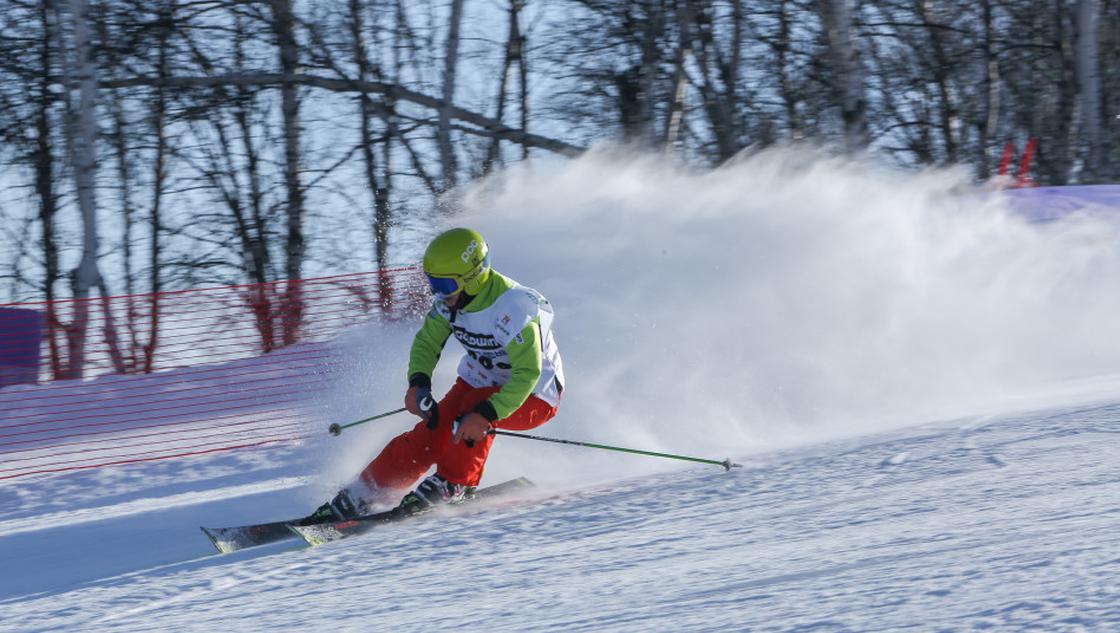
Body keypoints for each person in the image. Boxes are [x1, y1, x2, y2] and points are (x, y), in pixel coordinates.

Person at [313, 227, 564, 519]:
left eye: (444, 285)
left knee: (468, 415)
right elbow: (427, 341)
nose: (437, 293)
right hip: (479, 381)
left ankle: (455, 483)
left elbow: (527, 373)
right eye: (433, 283)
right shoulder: (451, 303)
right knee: (433, 428)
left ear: (471, 278)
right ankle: (369, 489)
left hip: (533, 397)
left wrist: (486, 413)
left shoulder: (513, 308)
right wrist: (417, 384)